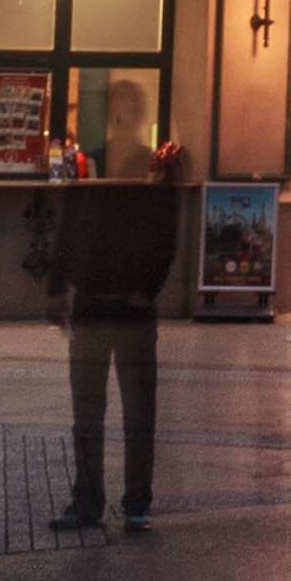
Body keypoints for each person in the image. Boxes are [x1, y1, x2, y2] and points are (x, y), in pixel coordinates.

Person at [51, 137, 186, 538]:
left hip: (95, 306)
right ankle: (136, 503)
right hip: (132, 310)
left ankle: (90, 501)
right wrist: (148, 288)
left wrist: (58, 288)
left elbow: (67, 235)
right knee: (138, 411)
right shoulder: (150, 187)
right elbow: (167, 237)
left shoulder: (91, 181)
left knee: (89, 411)